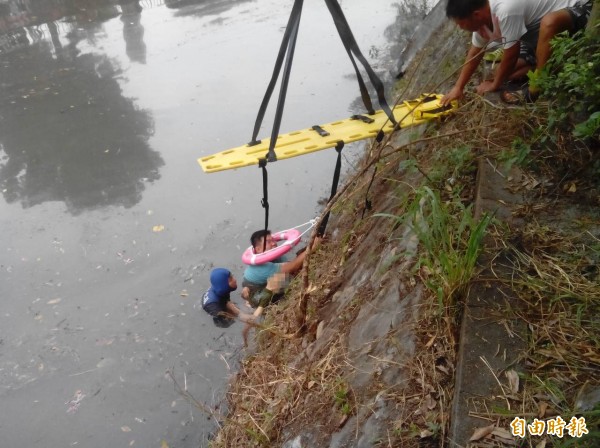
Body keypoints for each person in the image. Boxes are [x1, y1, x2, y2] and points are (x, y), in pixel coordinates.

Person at [441, 0, 593, 105]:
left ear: (476, 15)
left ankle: (536, 86)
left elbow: (511, 54)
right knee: (502, 72)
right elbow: (474, 53)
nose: (460, 27)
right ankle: (545, 65)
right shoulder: (481, 22)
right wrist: (458, 87)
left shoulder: (506, 9)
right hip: (536, 36)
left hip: (577, 10)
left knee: (549, 22)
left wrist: (495, 84)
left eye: (461, 23)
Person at [240, 229, 319, 345]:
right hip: (256, 293)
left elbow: (291, 266)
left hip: (257, 282)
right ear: (257, 249)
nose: (274, 243)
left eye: (273, 240)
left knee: (287, 275)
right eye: (269, 242)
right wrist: (313, 246)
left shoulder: (273, 256)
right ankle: (256, 308)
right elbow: (293, 266)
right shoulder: (263, 267)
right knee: (283, 282)